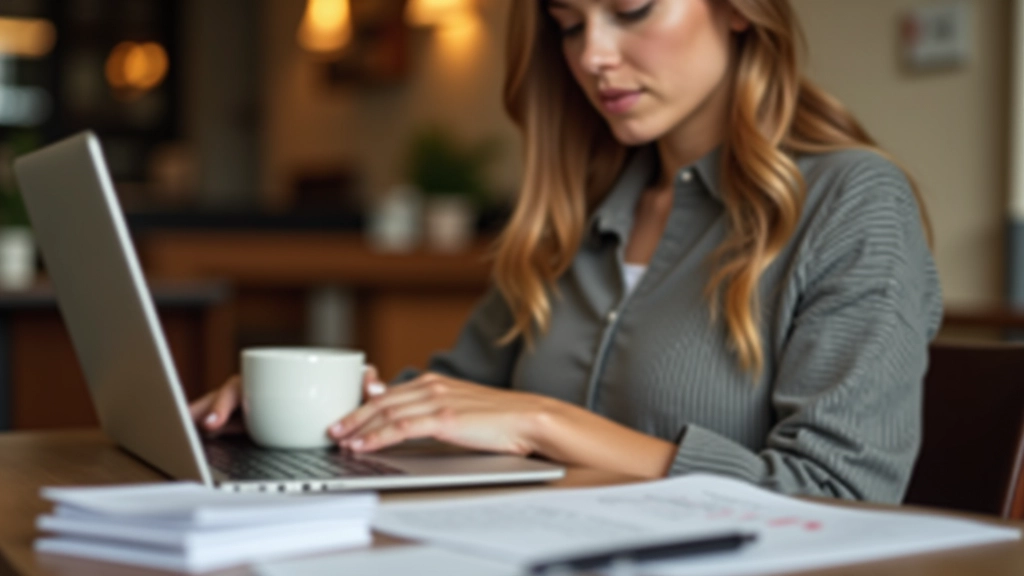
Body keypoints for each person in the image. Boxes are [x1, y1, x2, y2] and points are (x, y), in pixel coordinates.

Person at [191, 0, 942, 503]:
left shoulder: (851, 203)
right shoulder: (576, 217)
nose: (592, 55)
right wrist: (305, 404)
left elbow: (843, 496)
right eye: (568, 23)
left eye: (630, 9)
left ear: (739, 11)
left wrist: (543, 423)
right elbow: (457, 395)